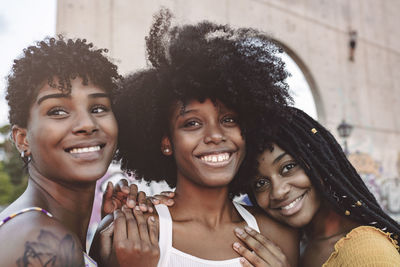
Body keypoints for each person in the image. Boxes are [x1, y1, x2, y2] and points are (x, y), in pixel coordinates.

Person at [92, 9, 299, 267]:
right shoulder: (128, 232)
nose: (215, 135)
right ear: (166, 141)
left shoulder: (278, 236)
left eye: (229, 120)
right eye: (192, 123)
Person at [0, 36, 124, 266]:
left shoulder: (37, 228)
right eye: (57, 111)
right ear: (22, 139)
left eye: (98, 108)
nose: (87, 124)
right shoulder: (45, 246)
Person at [233, 107, 400, 266]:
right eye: (260, 183)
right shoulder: (294, 243)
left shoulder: (368, 252)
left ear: (318, 163)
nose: (278, 192)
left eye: (288, 167)